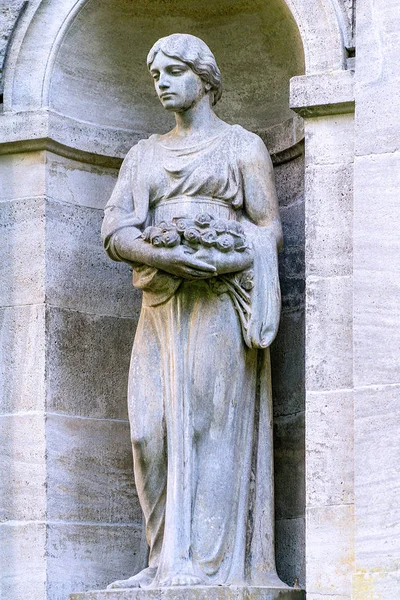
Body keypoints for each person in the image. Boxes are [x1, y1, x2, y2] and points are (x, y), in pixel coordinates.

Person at [101, 33, 283, 590]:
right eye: (155, 74)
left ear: (204, 79)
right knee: (149, 433)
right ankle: (161, 561)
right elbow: (115, 230)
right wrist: (167, 254)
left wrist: (225, 255)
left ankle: (205, 568)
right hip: (161, 303)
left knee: (209, 427)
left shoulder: (242, 147)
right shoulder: (144, 155)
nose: (161, 82)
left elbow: (268, 226)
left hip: (219, 301)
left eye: (172, 71)